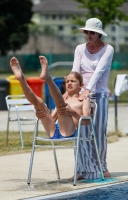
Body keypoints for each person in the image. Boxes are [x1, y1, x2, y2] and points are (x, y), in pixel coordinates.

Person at [67, 18, 114, 181]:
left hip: (98, 95)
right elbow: (75, 70)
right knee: (80, 132)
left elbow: (99, 71)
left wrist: (87, 89)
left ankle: (102, 166)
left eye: (92, 32)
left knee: (98, 132)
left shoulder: (108, 49)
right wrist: (72, 89)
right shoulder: (80, 48)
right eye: (86, 32)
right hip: (81, 95)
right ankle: (80, 168)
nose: (88, 34)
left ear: (99, 34)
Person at [9, 56, 91, 142]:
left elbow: (87, 122)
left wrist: (72, 112)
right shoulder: (64, 98)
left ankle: (48, 78)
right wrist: (41, 115)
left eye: (73, 81)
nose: (69, 83)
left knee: (62, 105)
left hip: (72, 133)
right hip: (54, 132)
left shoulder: (84, 99)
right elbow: (52, 119)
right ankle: (21, 79)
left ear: (81, 85)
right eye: (67, 81)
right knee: (39, 102)